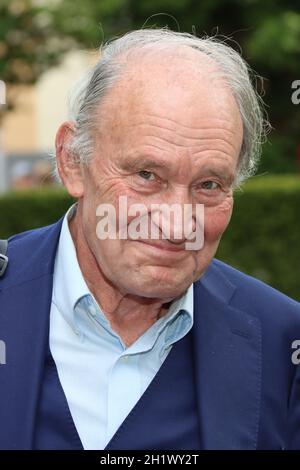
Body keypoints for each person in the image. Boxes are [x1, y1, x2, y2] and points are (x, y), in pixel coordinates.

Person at [0, 29, 299, 450]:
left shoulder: (283, 343)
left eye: (209, 184)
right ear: (72, 162)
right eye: (146, 176)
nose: (178, 225)